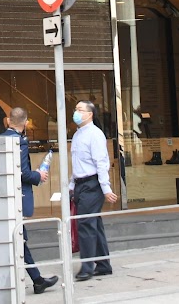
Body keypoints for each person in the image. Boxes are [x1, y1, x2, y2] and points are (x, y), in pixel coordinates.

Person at [4, 108, 58, 293]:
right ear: (26, 123)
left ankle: (37, 280)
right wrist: (38, 175)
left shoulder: (0, 139)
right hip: (17, 198)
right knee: (20, 239)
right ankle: (37, 280)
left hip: (3, 197)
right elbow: (23, 173)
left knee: (20, 239)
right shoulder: (20, 142)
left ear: (8, 121)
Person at [70, 100, 116, 282]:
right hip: (81, 184)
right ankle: (103, 265)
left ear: (89, 114)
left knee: (85, 225)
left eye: (80, 109)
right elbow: (77, 164)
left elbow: (101, 162)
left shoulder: (95, 134)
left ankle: (87, 267)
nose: (76, 112)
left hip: (92, 184)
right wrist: (71, 186)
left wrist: (106, 188)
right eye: (76, 109)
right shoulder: (77, 135)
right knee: (93, 224)